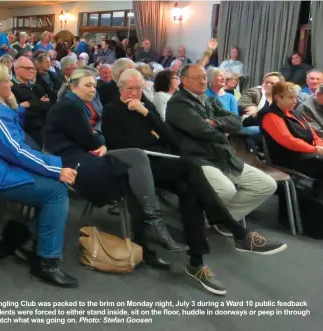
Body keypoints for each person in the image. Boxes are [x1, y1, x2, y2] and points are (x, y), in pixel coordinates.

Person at [100, 68, 286, 294]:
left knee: (192, 191)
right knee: (192, 170)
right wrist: (151, 136)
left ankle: (197, 262)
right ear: (120, 88)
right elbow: (119, 145)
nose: (135, 93)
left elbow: (170, 137)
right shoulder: (111, 111)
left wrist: (146, 114)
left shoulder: (145, 106)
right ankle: (235, 231)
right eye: (130, 88)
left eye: (139, 88)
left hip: (165, 161)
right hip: (140, 164)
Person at [0, 64, 78, 288]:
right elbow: (16, 149)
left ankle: (20, 236)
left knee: (52, 183)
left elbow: (13, 138)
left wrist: (12, 104)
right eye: (7, 81)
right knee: (56, 191)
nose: (11, 85)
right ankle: (46, 262)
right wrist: (55, 169)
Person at [44, 67, 189, 256]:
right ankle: (150, 230)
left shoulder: (74, 105)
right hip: (74, 161)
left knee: (137, 158)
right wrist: (100, 140)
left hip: (83, 155)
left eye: (94, 85)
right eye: (87, 85)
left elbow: (93, 137)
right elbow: (91, 139)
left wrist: (98, 139)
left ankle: (152, 225)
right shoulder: (71, 107)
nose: (93, 89)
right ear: (73, 87)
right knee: (135, 171)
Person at [165, 64, 277, 227]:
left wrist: (214, 122)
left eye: (204, 77)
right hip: (198, 157)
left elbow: (236, 121)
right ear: (184, 81)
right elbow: (201, 130)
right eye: (198, 78)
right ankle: (211, 219)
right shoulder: (178, 104)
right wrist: (223, 132)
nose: (204, 81)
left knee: (266, 185)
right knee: (227, 190)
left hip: (222, 155)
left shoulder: (210, 100)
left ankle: (221, 220)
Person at [260, 81, 323, 179]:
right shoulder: (270, 116)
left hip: (307, 153)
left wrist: (319, 145)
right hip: (289, 157)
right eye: (290, 97)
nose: (295, 101)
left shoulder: (294, 113)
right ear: (277, 97)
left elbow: (313, 134)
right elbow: (289, 141)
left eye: (295, 97)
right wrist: (315, 149)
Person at [12, 56, 54, 148]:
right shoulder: (11, 87)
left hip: (45, 126)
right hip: (27, 130)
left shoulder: (36, 87)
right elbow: (19, 110)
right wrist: (39, 103)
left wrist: (30, 103)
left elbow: (49, 105)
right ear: (17, 69)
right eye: (27, 68)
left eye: (32, 68)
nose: (31, 71)